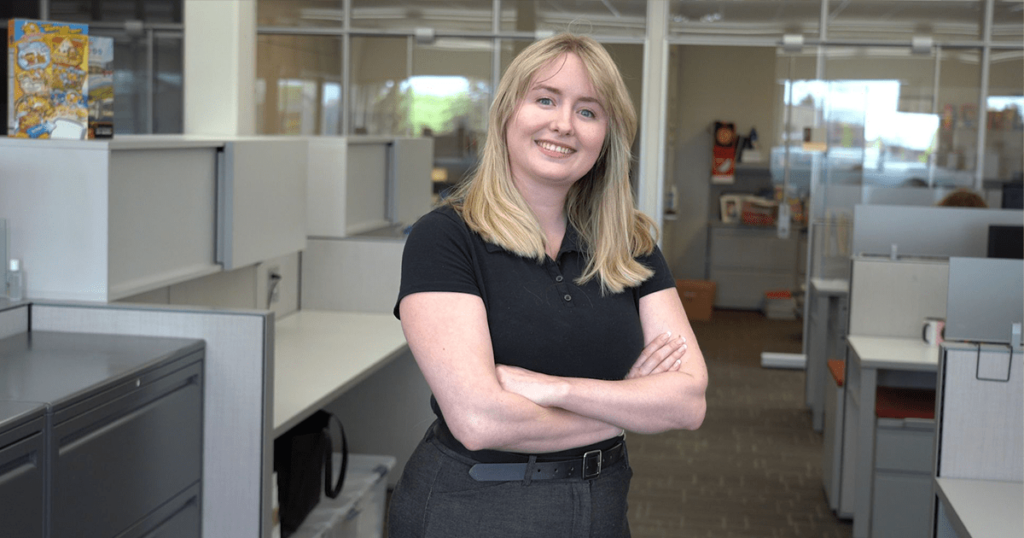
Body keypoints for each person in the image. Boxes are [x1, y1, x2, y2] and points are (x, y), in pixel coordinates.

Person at [389, 33, 708, 538]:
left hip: (601, 502)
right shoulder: (446, 238)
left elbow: (687, 403)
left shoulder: (630, 243)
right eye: (545, 99)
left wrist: (553, 390)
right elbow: (479, 421)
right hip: (473, 506)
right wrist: (628, 404)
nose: (563, 123)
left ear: (607, 136)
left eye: (588, 111)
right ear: (507, 114)